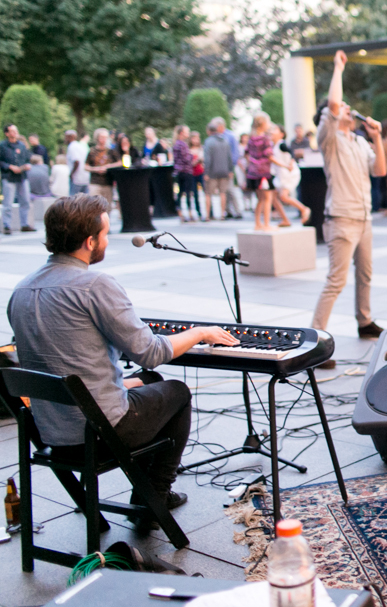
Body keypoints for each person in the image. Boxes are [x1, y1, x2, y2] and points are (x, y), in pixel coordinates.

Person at [7, 194, 239, 523]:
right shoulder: (94, 285)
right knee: (177, 391)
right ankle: (153, 499)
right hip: (99, 432)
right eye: (104, 234)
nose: (106, 241)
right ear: (89, 242)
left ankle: (143, 495)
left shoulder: (21, 290)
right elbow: (151, 352)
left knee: (149, 381)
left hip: (53, 432)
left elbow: (60, 360)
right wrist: (200, 332)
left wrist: (118, 382)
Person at [311, 51, 387, 346]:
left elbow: (380, 170)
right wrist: (338, 68)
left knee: (365, 275)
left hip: (363, 217)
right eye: (343, 107)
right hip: (341, 219)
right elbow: (332, 104)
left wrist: (377, 137)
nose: (347, 108)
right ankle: (316, 337)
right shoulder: (329, 137)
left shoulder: (358, 141)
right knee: (336, 281)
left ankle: (364, 321)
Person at [270, 123, 311, 225]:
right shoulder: (275, 146)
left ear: (281, 134)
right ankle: (285, 219)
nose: (272, 132)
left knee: (283, 197)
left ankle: (304, 209)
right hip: (281, 174)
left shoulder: (281, 144)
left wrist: (290, 163)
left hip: (288, 174)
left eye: (275, 130)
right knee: (274, 197)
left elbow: (291, 152)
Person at [245, 114, 277, 230]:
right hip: (264, 173)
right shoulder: (265, 139)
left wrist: (253, 165)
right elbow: (270, 156)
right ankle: (267, 224)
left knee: (260, 199)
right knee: (268, 198)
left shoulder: (251, 138)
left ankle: (257, 223)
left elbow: (247, 154)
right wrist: (285, 165)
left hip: (254, 173)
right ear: (263, 124)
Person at [1, 124, 34, 234]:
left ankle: (25, 224)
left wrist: (27, 165)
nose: (15, 132)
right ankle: (7, 225)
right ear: (7, 133)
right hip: (9, 177)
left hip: (22, 177)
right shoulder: (2, 146)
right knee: (8, 202)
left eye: (16, 130)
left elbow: (27, 159)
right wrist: (9, 167)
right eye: (12, 131)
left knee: (25, 201)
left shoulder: (21, 145)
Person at [203, 121, 234, 220]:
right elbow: (229, 157)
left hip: (212, 172)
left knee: (208, 193)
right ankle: (222, 214)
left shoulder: (208, 142)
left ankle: (207, 215)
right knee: (223, 193)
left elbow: (207, 158)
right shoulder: (225, 141)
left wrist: (206, 172)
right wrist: (230, 170)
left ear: (208, 131)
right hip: (224, 171)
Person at [85, 128, 118, 211]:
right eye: (102, 137)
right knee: (94, 206)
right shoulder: (92, 151)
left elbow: (120, 162)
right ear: (97, 138)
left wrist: (108, 166)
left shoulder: (111, 151)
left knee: (107, 207)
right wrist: (95, 169)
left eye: (105, 137)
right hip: (95, 182)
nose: (103, 139)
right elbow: (85, 166)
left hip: (108, 182)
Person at [172, 125, 200, 222]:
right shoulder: (182, 144)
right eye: (186, 131)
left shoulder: (176, 144)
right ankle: (189, 213)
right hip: (186, 171)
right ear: (181, 133)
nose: (188, 133)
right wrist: (193, 155)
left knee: (180, 193)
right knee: (188, 193)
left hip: (179, 171)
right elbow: (186, 159)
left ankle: (181, 213)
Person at [65, 130, 90, 195]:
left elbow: (76, 161)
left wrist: (72, 174)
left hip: (77, 178)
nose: (65, 139)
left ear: (71, 136)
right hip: (85, 178)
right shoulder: (80, 146)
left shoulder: (72, 146)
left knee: (74, 199)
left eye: (66, 137)